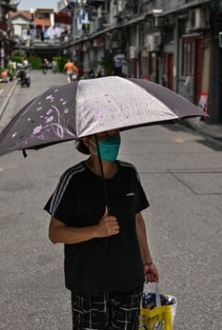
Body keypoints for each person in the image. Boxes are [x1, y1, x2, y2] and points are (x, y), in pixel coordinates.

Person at [45, 129, 159, 330]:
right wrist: (95, 231)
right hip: (88, 282)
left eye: (116, 134)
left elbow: (137, 219)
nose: (113, 140)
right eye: (106, 136)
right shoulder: (73, 179)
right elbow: (55, 233)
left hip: (128, 278)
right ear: (87, 141)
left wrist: (147, 260)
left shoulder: (129, 173)